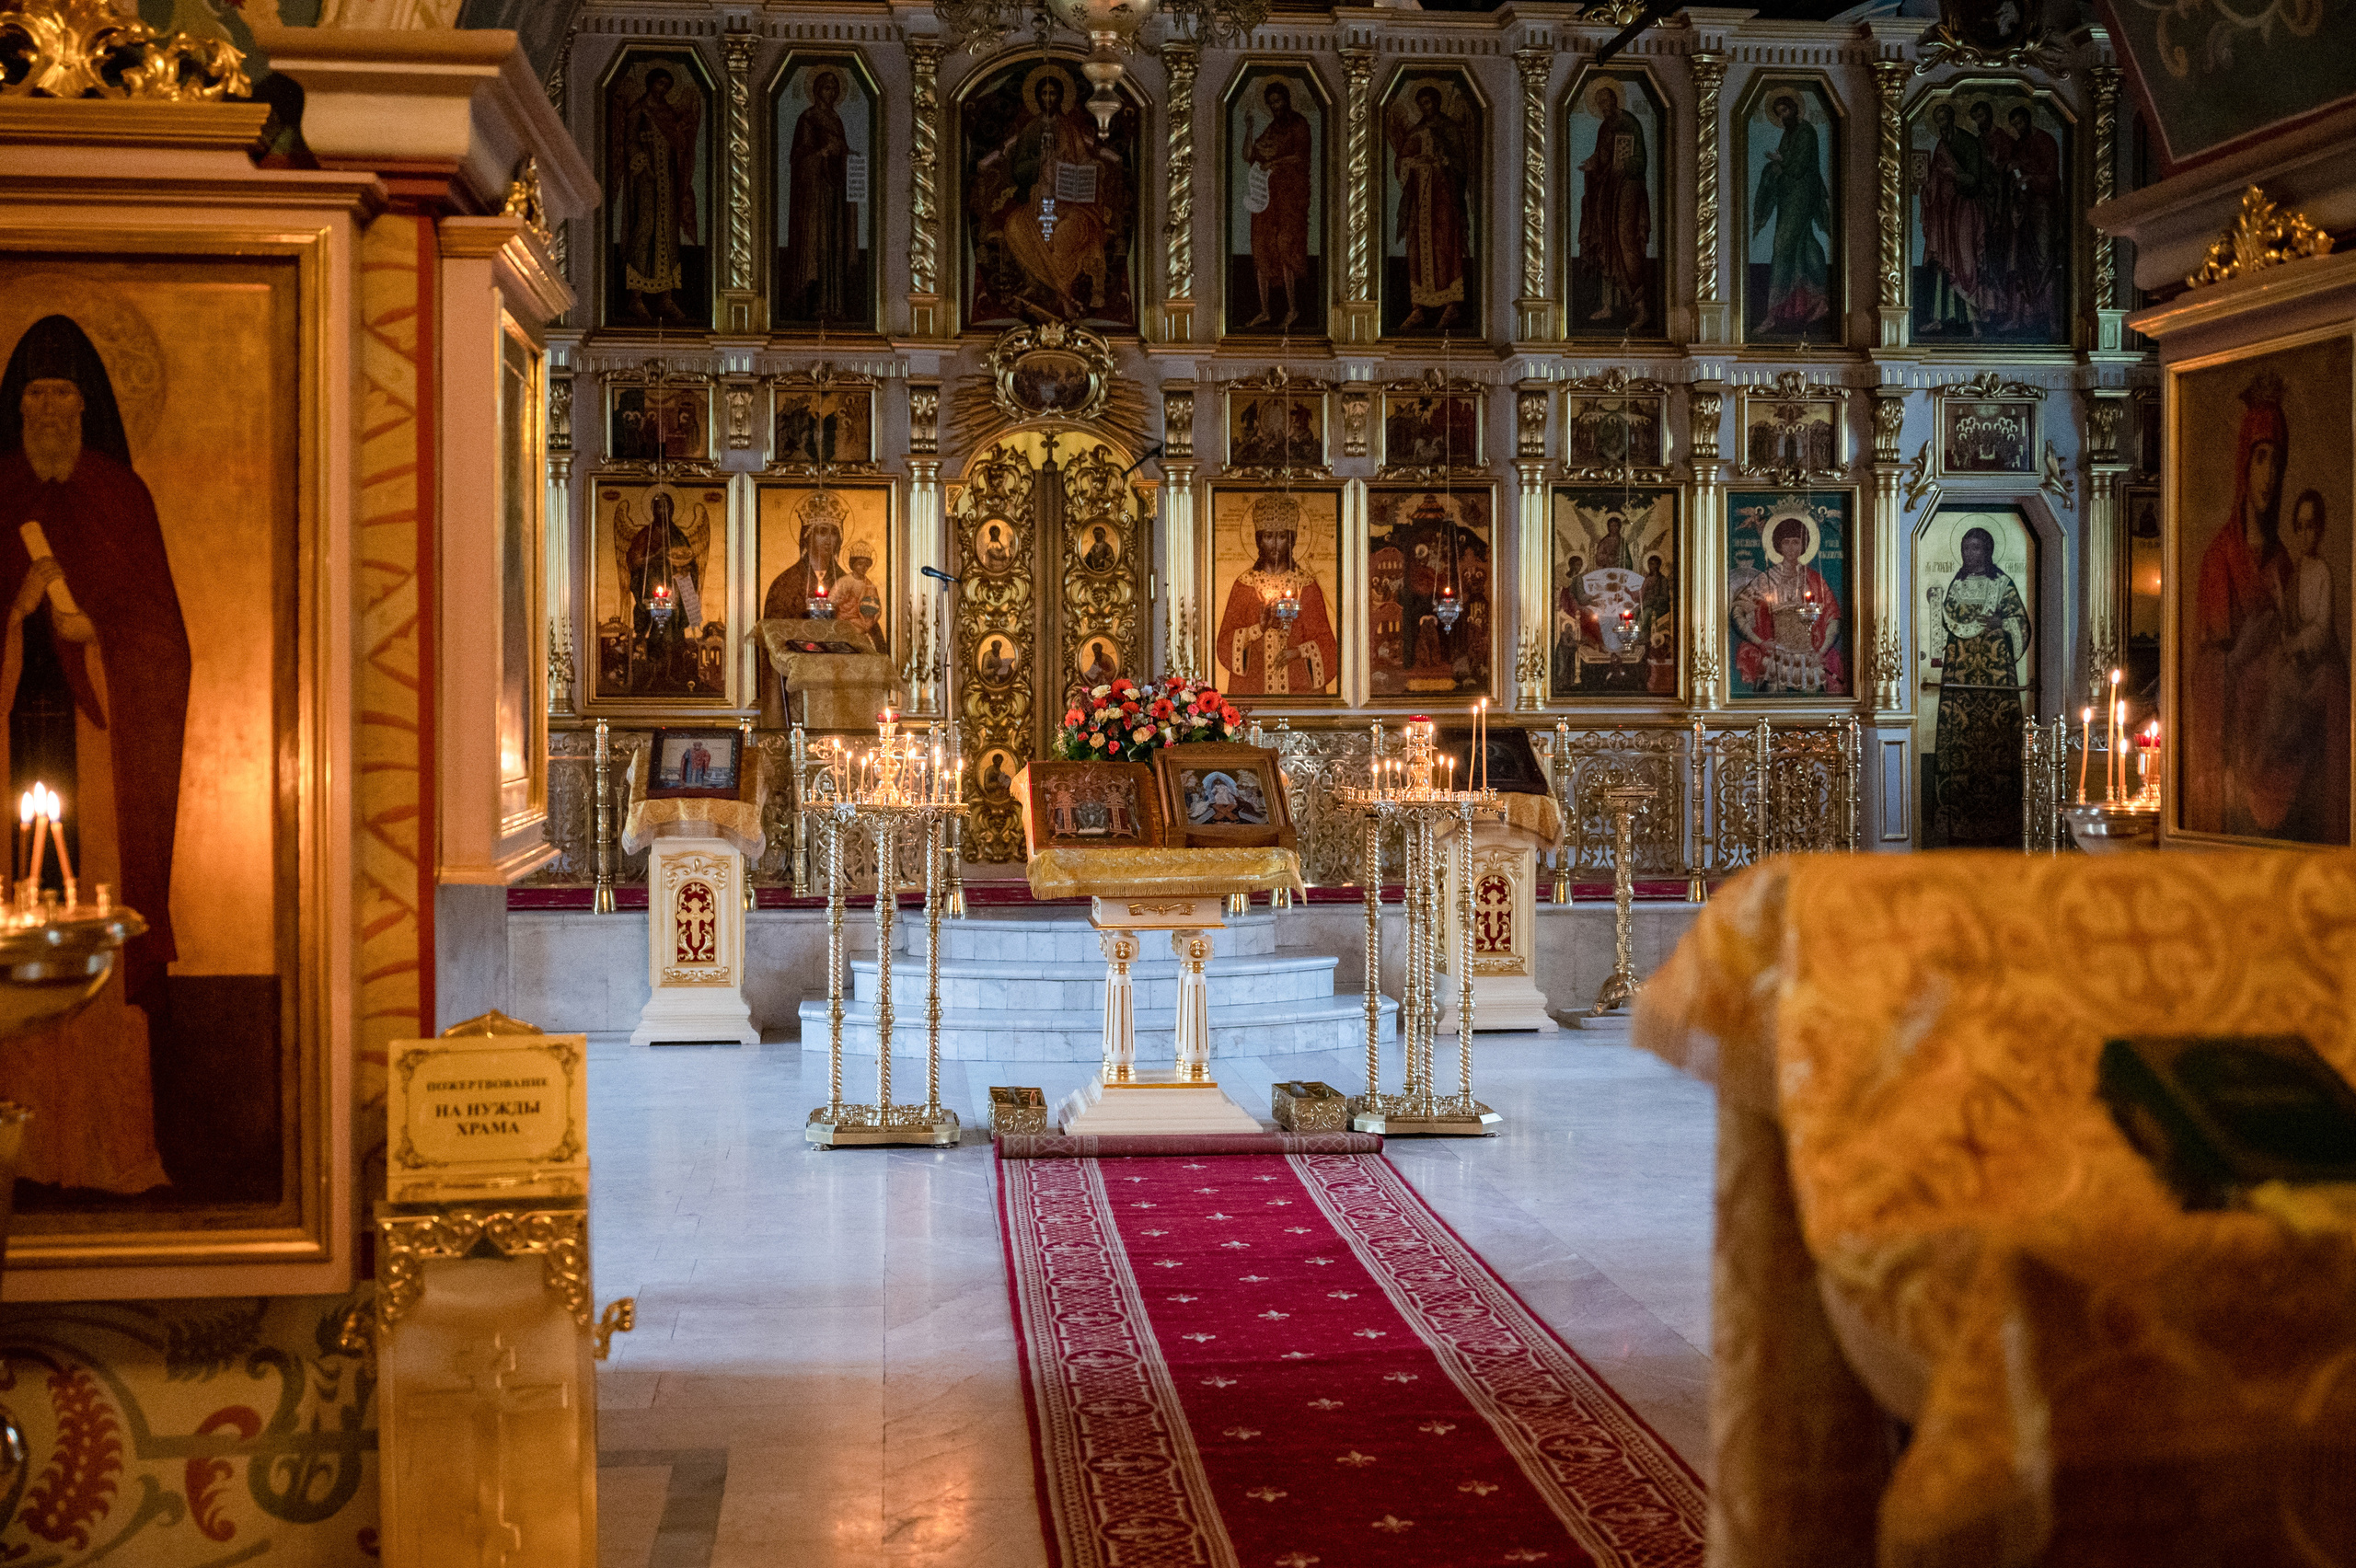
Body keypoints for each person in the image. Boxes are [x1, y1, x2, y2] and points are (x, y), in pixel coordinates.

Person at [0, 315, 185, 1193]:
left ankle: (109, 1152)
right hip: (14, 740)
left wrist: (97, 630)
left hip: (98, 750)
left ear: (88, 406)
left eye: (63, 394)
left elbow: (165, 646)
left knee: (93, 937)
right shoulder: (0, 494)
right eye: (34, 394)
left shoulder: (121, 496)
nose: (48, 409)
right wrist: (16, 606)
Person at [2194, 375, 2350, 840]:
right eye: (2261, 458)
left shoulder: (2285, 560)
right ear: (2244, 465)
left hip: (2284, 718)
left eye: (2277, 461)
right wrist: (2243, 653)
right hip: (2244, 735)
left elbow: (2309, 638)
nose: (2270, 474)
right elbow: (2206, 670)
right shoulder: (2219, 557)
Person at [973, 70, 1127, 322]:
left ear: (1059, 96)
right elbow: (1018, 169)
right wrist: (1041, 165)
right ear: (1037, 96)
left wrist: (1091, 168)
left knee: (1068, 234)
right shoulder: (1031, 130)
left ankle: (1061, 292)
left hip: (1071, 202)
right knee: (1015, 226)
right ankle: (1046, 288)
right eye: (1044, 93)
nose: (1048, 97)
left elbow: (1086, 158)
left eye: (1053, 92)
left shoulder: (1071, 128)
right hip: (1038, 201)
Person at [1931, 526, 2032, 846]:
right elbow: (1947, 622)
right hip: (1960, 684)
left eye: (1976, 548)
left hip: (1995, 683)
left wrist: (2003, 623)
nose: (1970, 554)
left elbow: (2020, 622)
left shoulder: (2002, 584)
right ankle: (1955, 824)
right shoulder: (1956, 586)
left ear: (1987, 551)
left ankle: (2004, 825)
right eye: (1966, 549)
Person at [1217, 493, 1338, 696]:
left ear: (1291, 540)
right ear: (1259, 540)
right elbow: (1224, 643)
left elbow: (1327, 645)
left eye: (1281, 536)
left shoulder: (1306, 585)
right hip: (1253, 689)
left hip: (1300, 688)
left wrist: (1297, 652)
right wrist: (1258, 629)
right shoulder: (1244, 584)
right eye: (1268, 536)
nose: (1274, 544)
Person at [612, 65, 701, 323]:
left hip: (668, 180)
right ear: (650, 84)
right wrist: (643, 163)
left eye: (667, 86)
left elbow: (681, 145)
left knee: (668, 234)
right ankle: (636, 298)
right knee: (646, 228)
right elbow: (628, 141)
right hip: (646, 179)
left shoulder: (670, 114)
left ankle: (665, 298)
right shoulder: (638, 110)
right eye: (659, 84)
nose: (662, 90)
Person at [1388, 85, 1471, 330]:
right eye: (1422, 104)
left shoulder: (1450, 129)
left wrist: (1444, 160)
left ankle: (1451, 306)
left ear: (1436, 102)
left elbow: (1461, 166)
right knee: (1416, 247)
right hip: (1419, 200)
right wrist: (1415, 162)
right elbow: (1400, 162)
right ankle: (1418, 308)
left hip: (1444, 197)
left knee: (1444, 245)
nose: (1427, 107)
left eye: (1430, 102)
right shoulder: (1417, 131)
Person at [780, 70, 860, 325]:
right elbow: (799, 157)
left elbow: (842, 152)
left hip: (834, 192)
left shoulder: (835, 120)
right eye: (827, 88)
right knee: (820, 246)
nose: (832, 93)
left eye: (835, 88)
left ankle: (835, 306)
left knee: (834, 247)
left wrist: (848, 157)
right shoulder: (808, 119)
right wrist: (821, 153)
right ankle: (818, 304)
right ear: (816, 90)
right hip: (814, 197)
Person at [1731, 515, 1842, 694]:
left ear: (1803, 546)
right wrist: (1759, 642)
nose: (1791, 548)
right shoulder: (1766, 580)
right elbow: (1737, 611)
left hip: (1809, 659)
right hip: (1776, 659)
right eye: (1786, 543)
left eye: (1796, 542)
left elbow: (1833, 617)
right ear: (1779, 546)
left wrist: (1821, 651)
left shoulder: (1814, 580)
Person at [1751, 92, 1832, 333]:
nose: (1782, 116)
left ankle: (1772, 314)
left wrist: (1780, 160)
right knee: (1804, 244)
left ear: (1795, 109)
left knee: (1781, 246)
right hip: (1790, 197)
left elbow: (1797, 167)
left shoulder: (1806, 132)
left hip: (1803, 195)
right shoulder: (1789, 133)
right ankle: (1820, 302)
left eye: (1785, 111)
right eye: (1778, 113)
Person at [617, 490, 710, 692]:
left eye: (666, 507)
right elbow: (634, 560)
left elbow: (691, 562)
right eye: (659, 507)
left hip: (675, 590)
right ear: (653, 510)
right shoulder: (646, 535)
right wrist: (656, 557)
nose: (663, 511)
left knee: (673, 629)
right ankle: (654, 674)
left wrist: (684, 568)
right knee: (656, 630)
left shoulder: (678, 535)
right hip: (651, 587)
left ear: (672, 510)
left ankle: (673, 674)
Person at [1577, 82, 1652, 331]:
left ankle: (1639, 306)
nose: (1603, 107)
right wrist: (1591, 164)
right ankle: (1608, 305)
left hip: (1628, 189)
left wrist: (1626, 164)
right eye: (1599, 104)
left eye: (1606, 101)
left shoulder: (1630, 123)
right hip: (1607, 190)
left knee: (1624, 240)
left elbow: (1640, 160)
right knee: (1605, 242)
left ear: (1614, 100)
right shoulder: (1604, 127)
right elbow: (1600, 156)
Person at [1242, 80, 1314, 331]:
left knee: (1286, 247)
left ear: (1286, 100)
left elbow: (1301, 156)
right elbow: (1249, 156)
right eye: (1271, 103)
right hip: (1266, 196)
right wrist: (1250, 129)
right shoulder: (1271, 129)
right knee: (1261, 248)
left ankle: (1293, 308)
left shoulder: (1299, 124)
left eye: (1278, 101)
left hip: (1289, 196)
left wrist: (1276, 164)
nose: (1275, 107)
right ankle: (1265, 311)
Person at [1919, 102, 1989, 336]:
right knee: (1945, 263)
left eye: (1944, 118)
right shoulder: (1941, 146)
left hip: (1965, 207)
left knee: (1966, 262)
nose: (1942, 124)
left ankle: (1975, 320)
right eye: (1938, 120)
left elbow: (1975, 180)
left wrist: (1955, 175)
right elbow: (1933, 179)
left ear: (1952, 118)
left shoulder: (1968, 143)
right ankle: (1939, 317)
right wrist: (1926, 190)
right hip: (1944, 210)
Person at [761, 490, 846, 626]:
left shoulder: (846, 582)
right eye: (822, 532)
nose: (829, 540)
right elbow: (774, 631)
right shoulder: (785, 584)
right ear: (806, 537)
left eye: (834, 533)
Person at [830, 540, 885, 654]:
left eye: (866, 565)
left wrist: (868, 619)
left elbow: (877, 608)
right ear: (853, 565)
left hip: (862, 623)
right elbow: (831, 600)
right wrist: (841, 601)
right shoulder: (844, 581)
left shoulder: (870, 586)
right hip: (843, 621)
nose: (863, 568)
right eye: (860, 564)